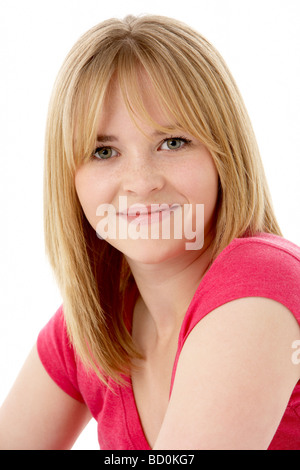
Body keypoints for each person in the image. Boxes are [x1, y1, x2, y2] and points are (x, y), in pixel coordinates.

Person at [0, 14, 299, 450]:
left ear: (224, 154)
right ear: (71, 180)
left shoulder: (260, 282)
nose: (141, 182)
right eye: (104, 151)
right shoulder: (93, 324)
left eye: (173, 142)